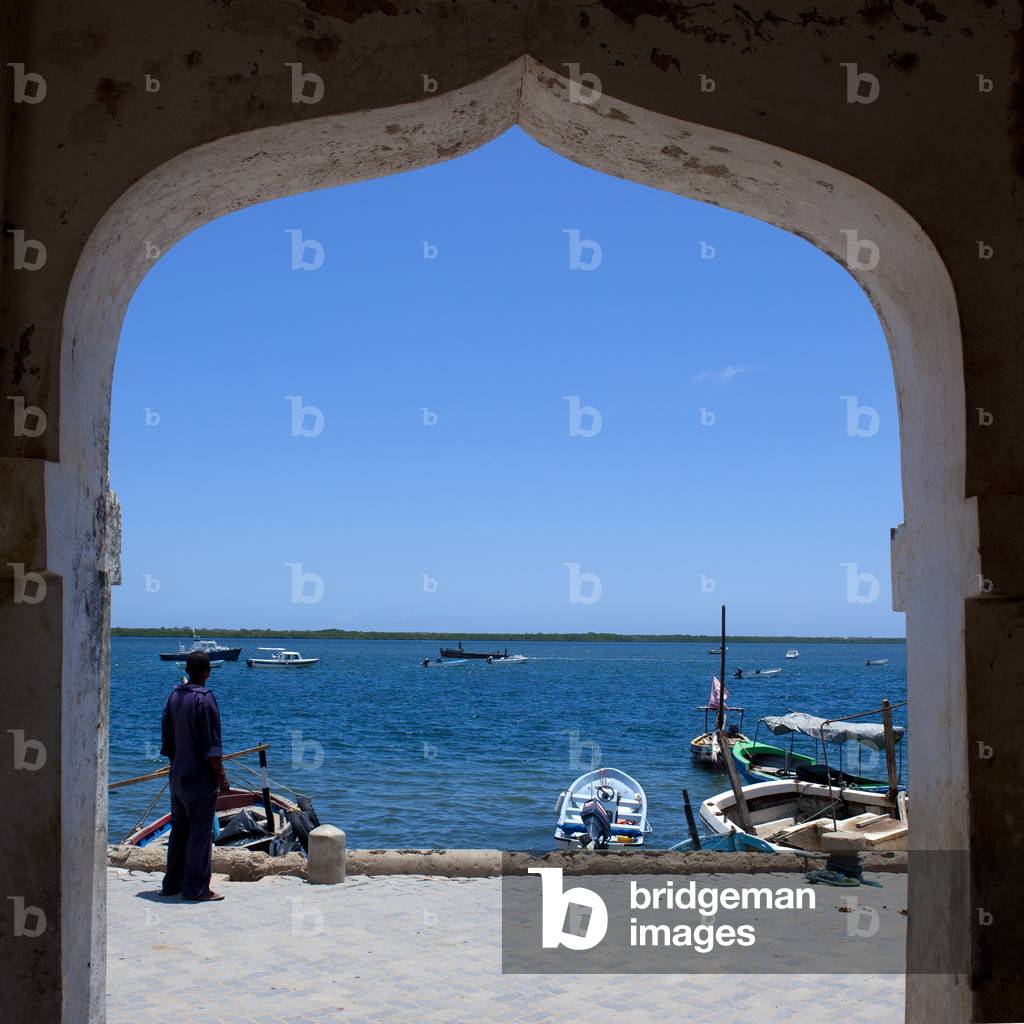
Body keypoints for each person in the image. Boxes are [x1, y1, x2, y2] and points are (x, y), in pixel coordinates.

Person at [159, 650, 229, 901]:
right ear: (207, 672)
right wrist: (221, 777)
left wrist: (177, 767)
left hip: (177, 772)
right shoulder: (205, 699)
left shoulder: (173, 696)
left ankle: (172, 884)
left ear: (188, 670)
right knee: (200, 834)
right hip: (199, 776)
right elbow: (212, 747)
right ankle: (197, 888)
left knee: (179, 830)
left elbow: (167, 742)